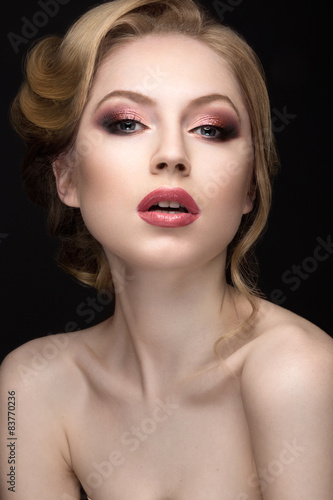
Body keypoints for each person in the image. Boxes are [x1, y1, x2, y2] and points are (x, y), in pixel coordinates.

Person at [1, 0, 332, 498]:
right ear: (66, 174)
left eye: (210, 129)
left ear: (249, 186)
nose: (173, 155)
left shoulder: (297, 370)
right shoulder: (29, 386)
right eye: (127, 123)